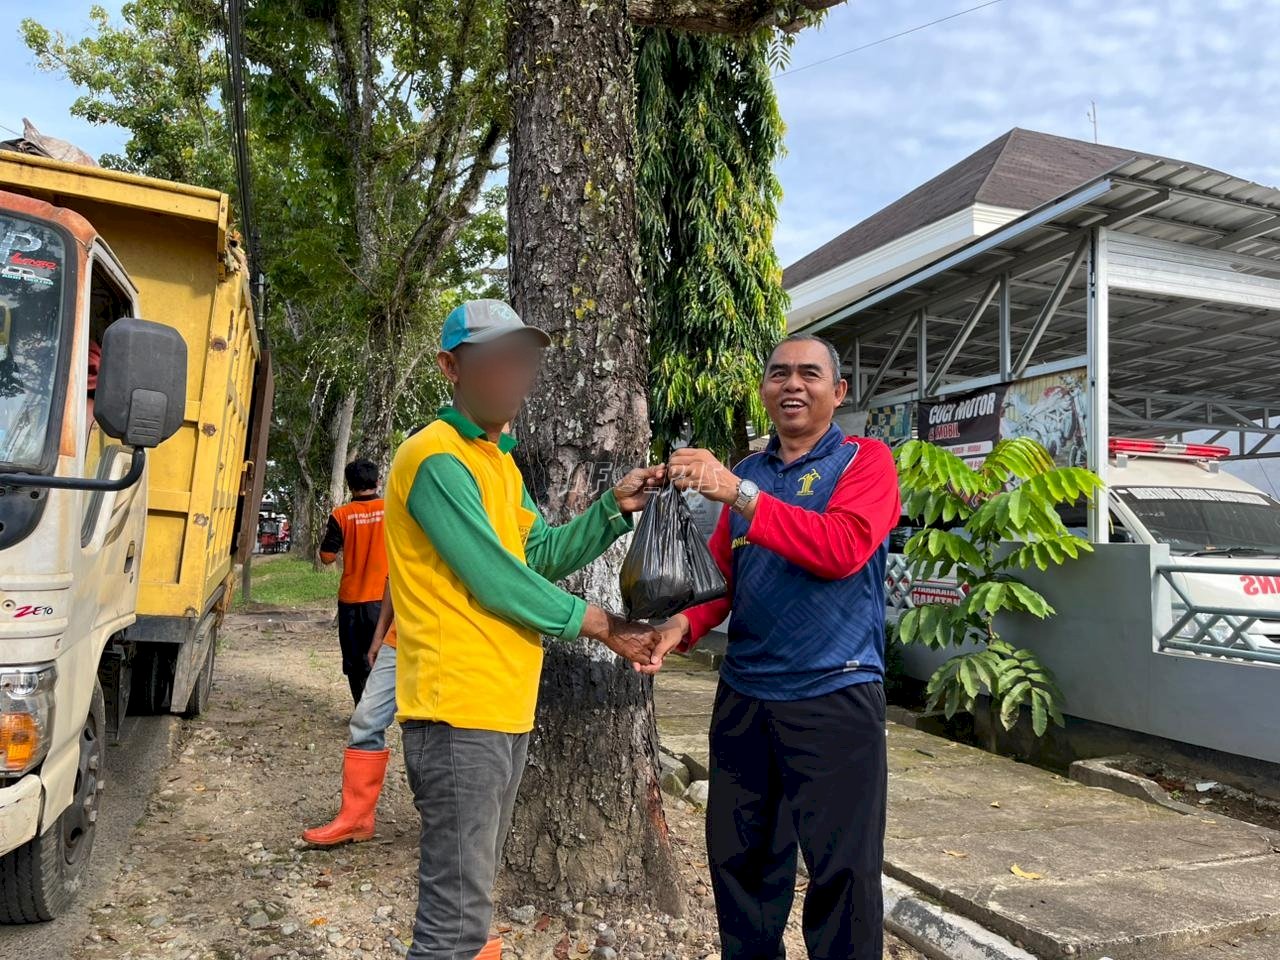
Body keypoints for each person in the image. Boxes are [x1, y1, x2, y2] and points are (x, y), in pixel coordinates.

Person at [384, 299, 663, 960]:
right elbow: (496, 580)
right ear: (451, 367)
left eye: (522, 360)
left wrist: (610, 511)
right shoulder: (437, 458)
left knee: (470, 902)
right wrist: (601, 624)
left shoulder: (497, 462)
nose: (513, 375)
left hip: (501, 705)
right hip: (458, 709)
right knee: (456, 913)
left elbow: (534, 556)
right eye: (495, 360)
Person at [644, 333, 902, 960]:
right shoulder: (751, 473)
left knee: (843, 875)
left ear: (837, 392)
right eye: (779, 373)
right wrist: (679, 628)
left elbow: (841, 548)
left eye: (809, 374)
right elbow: (723, 581)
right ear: (764, 390)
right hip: (746, 697)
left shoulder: (864, 462)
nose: (792, 385)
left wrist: (736, 492)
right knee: (742, 868)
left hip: (834, 692)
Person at [319, 458, 388, 705]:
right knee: (382, 655)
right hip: (384, 600)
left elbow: (326, 557)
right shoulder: (391, 509)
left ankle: (361, 706)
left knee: (353, 658)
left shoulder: (340, 515)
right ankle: (377, 710)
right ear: (378, 481)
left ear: (350, 486)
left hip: (351, 599)